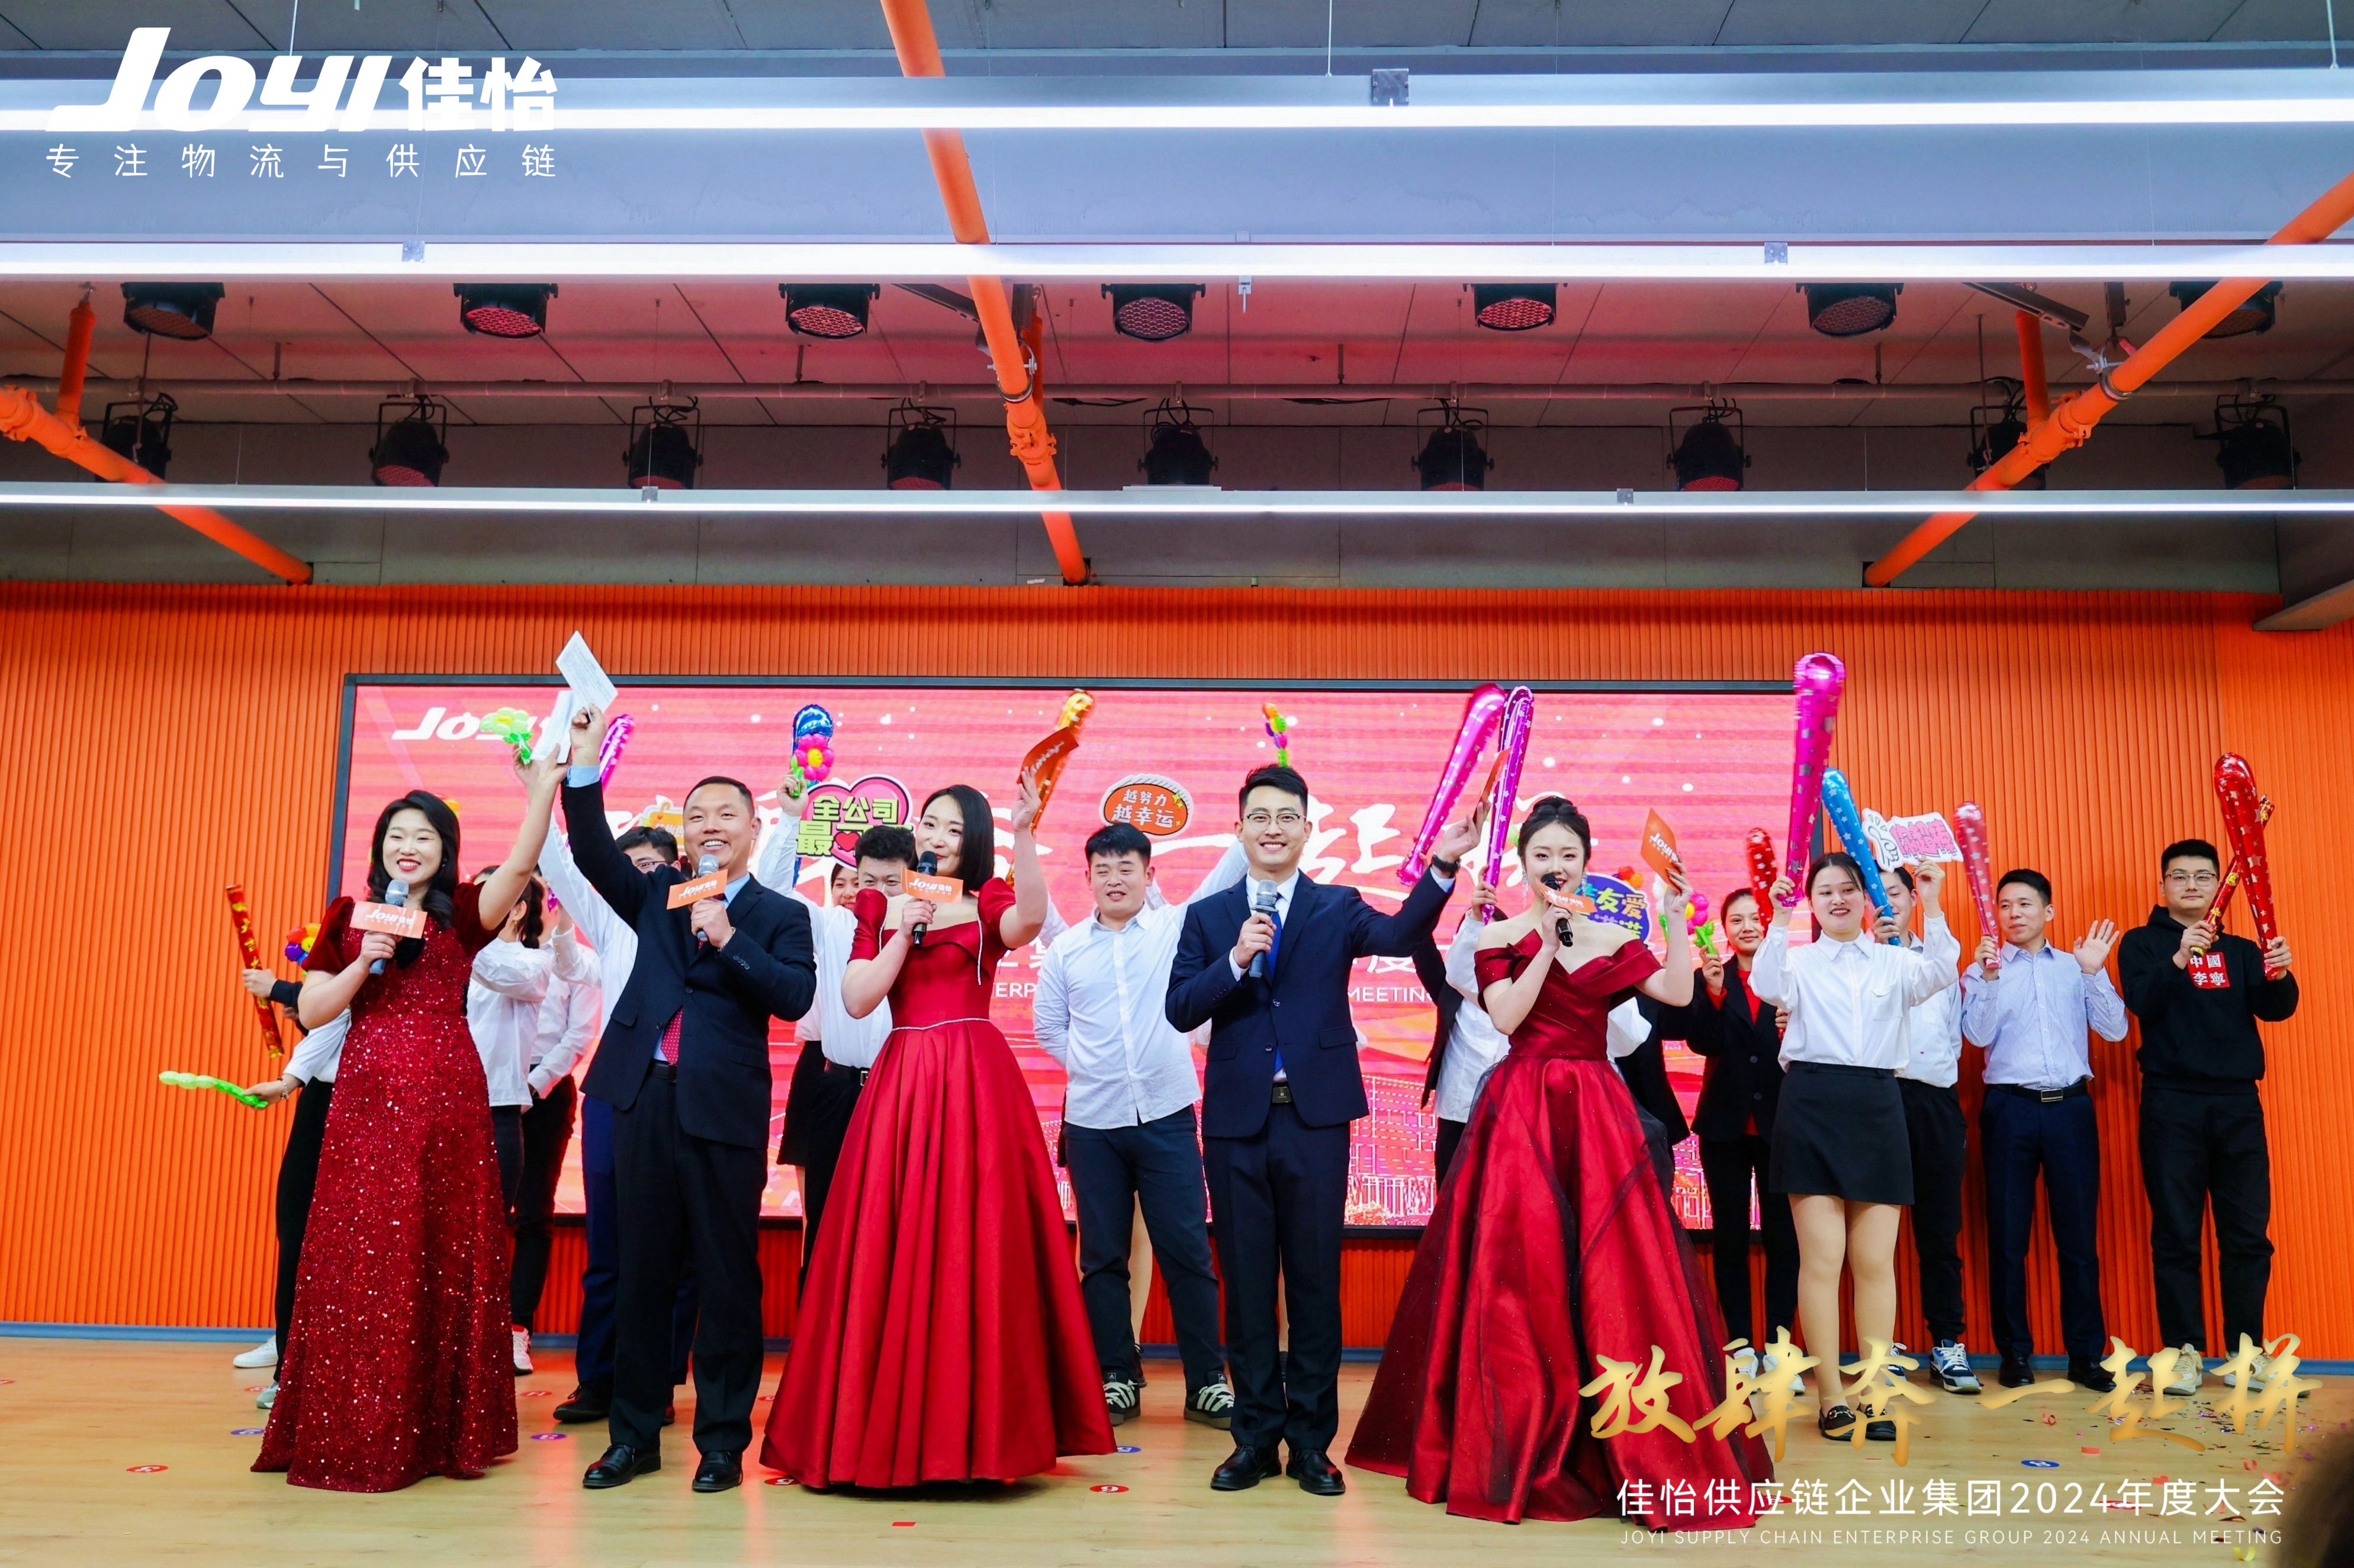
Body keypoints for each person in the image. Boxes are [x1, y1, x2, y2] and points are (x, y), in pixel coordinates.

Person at [1347, 796, 1768, 1527]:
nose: (1555, 866)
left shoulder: (1610, 934)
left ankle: (1621, 1437)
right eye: (1541, 855)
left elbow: (1674, 993)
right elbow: (1507, 1016)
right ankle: (1518, 1433)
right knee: (1522, 1270)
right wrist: (1546, 942)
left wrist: (1672, 919)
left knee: (1612, 1268)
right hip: (1521, 1107)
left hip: (1595, 1106)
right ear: (1522, 864)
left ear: (1585, 862)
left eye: (1567, 855)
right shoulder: (1498, 934)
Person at [764, 774, 1115, 1487]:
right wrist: (900, 931)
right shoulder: (878, 904)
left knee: (974, 1242)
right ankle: (882, 1431)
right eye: (931, 824)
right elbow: (857, 999)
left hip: (974, 1078)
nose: (938, 837)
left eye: (954, 829)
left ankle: (983, 1437)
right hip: (903, 1079)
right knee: (888, 1242)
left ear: (974, 841)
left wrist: (1025, 833)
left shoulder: (986, 899)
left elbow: (1029, 922)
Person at [1167, 765, 1473, 1499]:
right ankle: (1252, 1439)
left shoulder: (1337, 906)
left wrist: (1442, 864)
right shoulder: (1208, 917)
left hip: (1315, 1120)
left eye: (1286, 817)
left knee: (1312, 1283)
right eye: (1259, 816)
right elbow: (1180, 1009)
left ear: (1306, 829)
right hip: (1237, 1121)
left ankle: (1310, 1444)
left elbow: (1400, 934)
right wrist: (1236, 958)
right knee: (1246, 1287)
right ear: (1239, 829)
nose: (1272, 828)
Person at [256, 767, 559, 1491]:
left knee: (442, 1250)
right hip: (365, 1100)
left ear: (445, 850)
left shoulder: (465, 913)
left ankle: (440, 1430)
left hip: (449, 1102)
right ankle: (357, 1419)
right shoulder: (349, 918)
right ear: (380, 848)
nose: (408, 847)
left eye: (424, 837)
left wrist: (541, 792)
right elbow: (316, 1010)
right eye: (397, 835)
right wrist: (364, 960)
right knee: (363, 1253)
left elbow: (521, 865)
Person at [563, 706, 818, 1496]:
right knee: (641, 1272)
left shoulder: (781, 914)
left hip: (722, 1109)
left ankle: (721, 1442)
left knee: (725, 1278)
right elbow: (591, 849)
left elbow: (794, 995)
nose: (710, 826)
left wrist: (730, 938)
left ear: (753, 829)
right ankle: (633, 1438)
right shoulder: (659, 893)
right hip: (642, 1098)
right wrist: (582, 761)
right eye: (697, 814)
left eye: (726, 815)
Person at [1034, 820, 1246, 1432]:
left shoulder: (1175, 929)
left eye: (1126, 867)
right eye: (1102, 869)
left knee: (1188, 1253)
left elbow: (1221, 882)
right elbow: (1048, 1027)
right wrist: (1093, 1067)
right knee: (1102, 1258)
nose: (1114, 879)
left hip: (1167, 1116)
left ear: (1149, 875)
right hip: (1093, 1123)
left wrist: (1244, 834)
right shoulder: (1068, 949)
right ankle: (1116, 1376)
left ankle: (1206, 1382)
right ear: (1088, 878)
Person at [1750, 854, 1957, 1442]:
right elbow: (1765, 985)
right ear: (1811, 903)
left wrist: (1932, 900)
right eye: (1825, 891)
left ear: (1866, 899)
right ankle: (1831, 1399)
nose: (1837, 899)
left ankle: (1871, 1394)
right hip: (1811, 1103)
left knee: (1874, 1263)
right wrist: (1777, 917)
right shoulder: (1797, 961)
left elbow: (1943, 968)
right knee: (1821, 1260)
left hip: (1878, 1105)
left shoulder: (1897, 962)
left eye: (1848, 889)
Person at [2117, 839, 2298, 1396]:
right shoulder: (2142, 943)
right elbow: (2142, 1001)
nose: (2192, 885)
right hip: (2171, 1103)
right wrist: (2180, 958)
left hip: (2238, 1105)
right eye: (2180, 876)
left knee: (2247, 1235)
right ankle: (2183, 1353)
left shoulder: (2241, 949)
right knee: (2176, 1234)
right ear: (2163, 886)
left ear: (2220, 884)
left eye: (2203, 876)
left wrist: (2279, 971)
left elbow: (2278, 1008)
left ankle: (2247, 1353)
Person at [535, 819, 699, 1427]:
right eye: (627, 869)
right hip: (615, 1090)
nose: (639, 878)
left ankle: (657, 1381)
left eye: (650, 867)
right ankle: (599, 1379)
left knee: (680, 1251)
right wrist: (541, 797)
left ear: (677, 869)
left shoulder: (706, 917)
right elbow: (562, 865)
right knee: (609, 1245)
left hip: (688, 1089)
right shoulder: (610, 922)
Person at [1959, 868, 2124, 1393]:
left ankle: (2086, 1356)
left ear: (2048, 911)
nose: (2014, 914)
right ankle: (2015, 1354)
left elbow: (2116, 1029)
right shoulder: (1981, 969)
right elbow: (1975, 1035)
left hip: (2070, 1110)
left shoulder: (2076, 967)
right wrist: (1989, 980)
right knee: (2008, 1239)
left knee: (2078, 1240)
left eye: (2025, 904)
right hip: (2009, 1109)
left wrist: (2095, 973)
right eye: (2005, 905)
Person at [755, 804, 911, 1280]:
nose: (877, 892)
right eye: (868, 881)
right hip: (837, 1090)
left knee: (899, 1224)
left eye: (892, 882)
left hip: (903, 1091)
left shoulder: (928, 931)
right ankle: (819, 1323)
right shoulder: (831, 925)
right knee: (825, 1222)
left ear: (913, 880)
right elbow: (772, 891)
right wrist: (790, 817)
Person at [1683, 887, 1800, 1370]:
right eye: (1738, 919)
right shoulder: (1710, 976)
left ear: (1770, 923)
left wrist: (1795, 1027)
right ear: (1725, 929)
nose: (1748, 926)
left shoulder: (1793, 976)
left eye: (1756, 917)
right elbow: (1701, 1042)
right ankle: (1740, 1346)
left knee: (1784, 1239)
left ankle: (1779, 1347)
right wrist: (1713, 994)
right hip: (1724, 1127)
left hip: (1782, 1125)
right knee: (1729, 1236)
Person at [1879, 866, 1979, 1396]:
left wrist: (1936, 898)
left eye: (1894, 891)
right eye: (1875, 893)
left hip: (1936, 1101)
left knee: (1940, 1231)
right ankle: (1881, 1347)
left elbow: (1953, 1036)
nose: (1886, 901)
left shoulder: (1937, 958)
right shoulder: (1859, 960)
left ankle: (1946, 1343)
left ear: (1913, 898)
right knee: (1873, 1235)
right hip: (1879, 1100)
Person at [236, 967, 351, 1408]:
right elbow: (334, 1019)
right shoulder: (351, 942)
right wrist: (290, 1081)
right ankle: (290, 1368)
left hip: (383, 1104)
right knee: (297, 1234)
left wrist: (283, 990)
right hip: (320, 1100)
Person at [509, 899, 600, 1374]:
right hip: (486, 1084)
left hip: (545, 1090)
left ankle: (516, 1328)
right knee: (474, 1212)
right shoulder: (488, 953)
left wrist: (533, 1084)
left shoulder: (579, 960)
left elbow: (579, 1035)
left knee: (534, 1212)